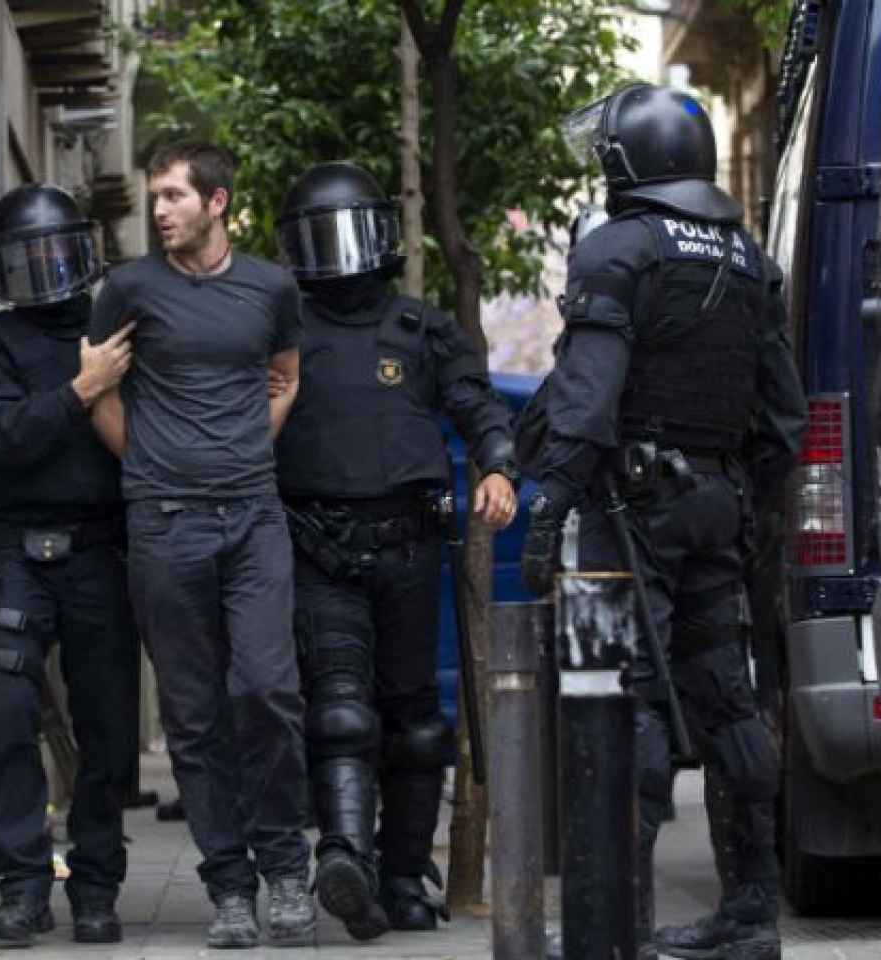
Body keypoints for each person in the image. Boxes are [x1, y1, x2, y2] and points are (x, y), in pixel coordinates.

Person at [522, 83, 807, 960]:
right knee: (727, 695)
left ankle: (619, 920)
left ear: (630, 159)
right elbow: (783, 419)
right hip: (717, 505)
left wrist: (549, 506)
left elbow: (587, 394)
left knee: (622, 698)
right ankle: (752, 913)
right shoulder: (750, 260)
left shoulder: (619, 250)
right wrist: (740, 505)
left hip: (627, 508)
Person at [271, 162, 519, 940]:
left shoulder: (422, 330)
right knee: (342, 713)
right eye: (320, 238)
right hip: (318, 545)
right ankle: (345, 856)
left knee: (416, 724)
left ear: (381, 237)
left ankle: (407, 877)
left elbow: (474, 402)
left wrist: (501, 463)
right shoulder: (282, 333)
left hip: (410, 544)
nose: (338, 254)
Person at [87, 141, 315, 950]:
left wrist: (250, 444)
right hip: (164, 520)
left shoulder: (271, 288)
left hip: (253, 514)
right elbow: (98, 387)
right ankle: (231, 889)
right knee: (191, 713)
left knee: (265, 688)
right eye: (156, 197)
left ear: (217, 203)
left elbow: (285, 376)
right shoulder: (127, 289)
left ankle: (287, 869)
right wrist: (147, 463)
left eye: (175, 196)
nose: (159, 211)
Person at [0, 183, 141, 947]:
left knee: (109, 732)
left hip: (102, 553)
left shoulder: (119, 331)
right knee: (9, 719)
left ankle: (96, 885)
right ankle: (22, 886)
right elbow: (3, 439)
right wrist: (84, 389)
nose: (45, 270)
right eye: (26, 259)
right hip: (15, 552)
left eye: (56, 253)